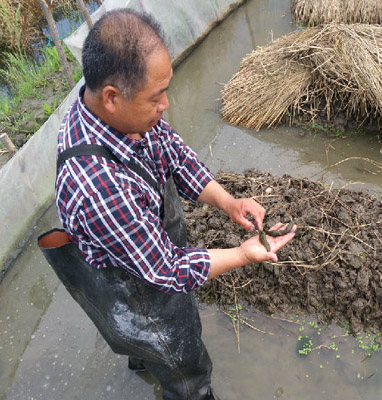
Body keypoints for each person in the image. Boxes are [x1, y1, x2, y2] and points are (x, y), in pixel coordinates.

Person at [37, 8, 295, 400]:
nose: (166, 106)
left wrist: (228, 201)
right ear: (112, 97)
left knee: (152, 347)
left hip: (146, 253)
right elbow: (167, 269)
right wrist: (244, 254)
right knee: (182, 366)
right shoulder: (97, 185)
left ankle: (143, 361)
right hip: (140, 292)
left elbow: (173, 153)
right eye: (156, 97)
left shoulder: (123, 112)